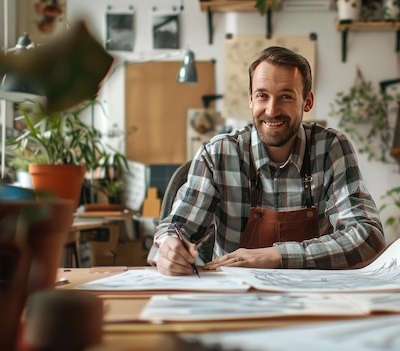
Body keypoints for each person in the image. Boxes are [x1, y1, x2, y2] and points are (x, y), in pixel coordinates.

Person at [148, 46, 385, 275]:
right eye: (262, 96)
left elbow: (368, 236)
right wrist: (169, 248)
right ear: (251, 99)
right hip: (234, 297)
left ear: (307, 102)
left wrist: (276, 256)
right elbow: (175, 228)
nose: (272, 110)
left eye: (285, 96)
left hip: (311, 296)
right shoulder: (217, 154)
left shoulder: (331, 148)